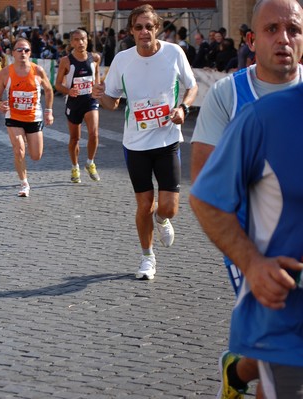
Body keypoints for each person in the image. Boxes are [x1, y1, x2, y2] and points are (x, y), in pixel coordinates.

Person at [190, 0, 303, 397]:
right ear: (253, 41)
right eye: (272, 30)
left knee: (278, 352)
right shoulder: (230, 96)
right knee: (280, 353)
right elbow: (202, 180)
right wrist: (250, 260)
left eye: (293, 30)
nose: (284, 39)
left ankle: (237, 372)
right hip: (253, 245)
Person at [92, 4, 197, 280]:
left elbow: (192, 86)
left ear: (157, 28)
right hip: (136, 144)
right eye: (138, 27)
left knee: (168, 207)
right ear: (131, 31)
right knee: (144, 205)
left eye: (149, 26)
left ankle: (162, 220)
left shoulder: (174, 53)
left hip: (167, 141)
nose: (144, 32)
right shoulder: (122, 60)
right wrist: (100, 95)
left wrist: (183, 108)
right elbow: (112, 103)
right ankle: (147, 257)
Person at [0, 38, 54, 197]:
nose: (23, 53)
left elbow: (48, 90)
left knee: (36, 156)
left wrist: (48, 110)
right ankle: (24, 183)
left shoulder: (38, 71)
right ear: (12, 53)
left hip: (34, 117)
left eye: (26, 50)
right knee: (19, 150)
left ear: (30, 53)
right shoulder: (6, 72)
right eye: (19, 50)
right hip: (14, 116)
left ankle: (26, 139)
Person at [54, 29, 101, 184]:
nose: (80, 42)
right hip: (74, 103)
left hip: (90, 100)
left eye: (83, 39)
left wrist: (98, 88)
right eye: (76, 39)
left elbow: (97, 80)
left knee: (94, 133)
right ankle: (75, 166)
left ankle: (90, 162)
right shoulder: (66, 61)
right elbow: (57, 85)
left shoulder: (95, 58)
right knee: (75, 138)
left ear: (87, 40)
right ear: (72, 42)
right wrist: (69, 90)